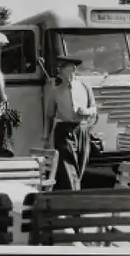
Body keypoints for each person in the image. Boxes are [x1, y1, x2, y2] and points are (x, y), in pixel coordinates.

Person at [43, 56, 98, 191]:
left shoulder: (85, 87)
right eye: (59, 68)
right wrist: (46, 137)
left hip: (82, 130)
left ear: (73, 69)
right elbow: (49, 115)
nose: (59, 70)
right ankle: (74, 198)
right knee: (68, 169)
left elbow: (94, 109)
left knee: (80, 168)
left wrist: (86, 111)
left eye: (62, 68)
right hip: (64, 131)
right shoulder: (55, 90)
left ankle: (73, 196)